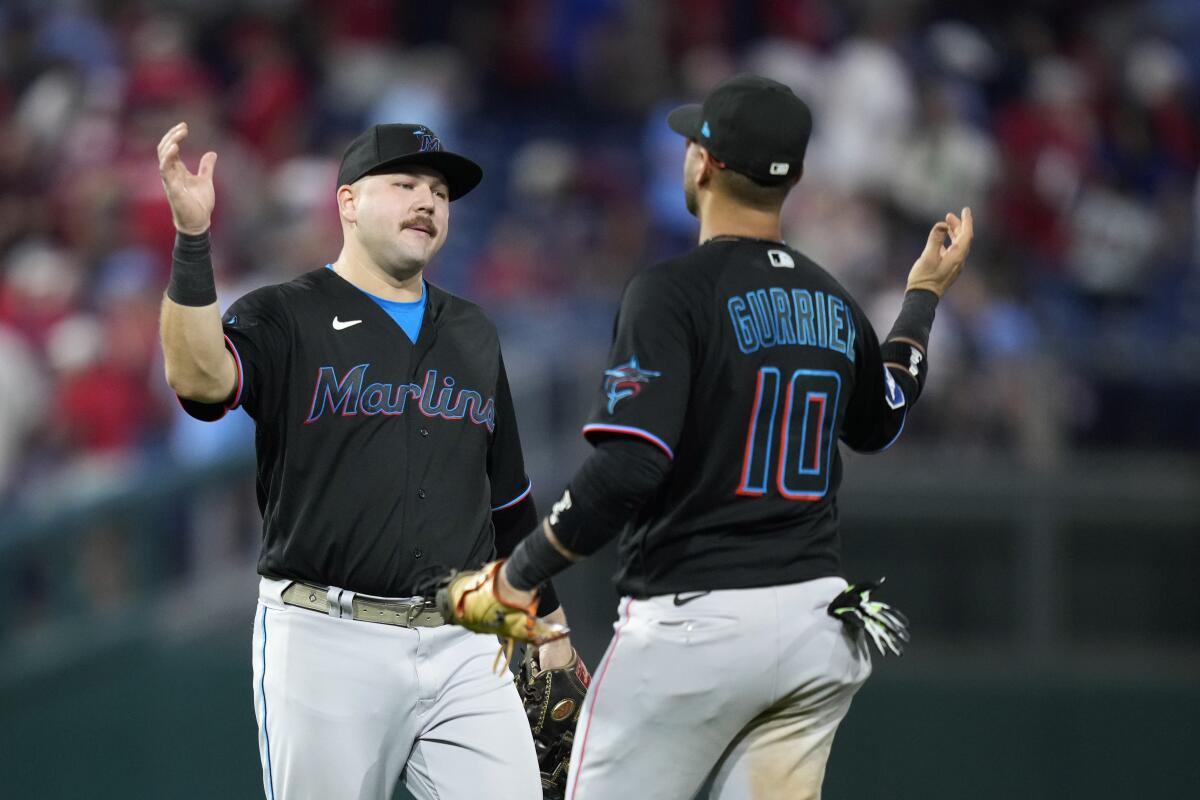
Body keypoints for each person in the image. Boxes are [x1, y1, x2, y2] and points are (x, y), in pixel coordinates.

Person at [439, 74, 974, 799]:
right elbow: (883, 413)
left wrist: (516, 577)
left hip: (699, 627)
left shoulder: (672, 291)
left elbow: (629, 466)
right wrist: (922, 299)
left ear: (705, 163)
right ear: (794, 177)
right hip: (820, 629)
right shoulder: (832, 298)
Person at [157, 120, 581, 800]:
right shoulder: (284, 314)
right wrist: (192, 242)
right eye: (405, 184)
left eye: (440, 191)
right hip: (328, 637)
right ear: (347, 202)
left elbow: (506, 498)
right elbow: (200, 380)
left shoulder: (472, 329)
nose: (428, 201)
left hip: (463, 642)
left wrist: (549, 624)